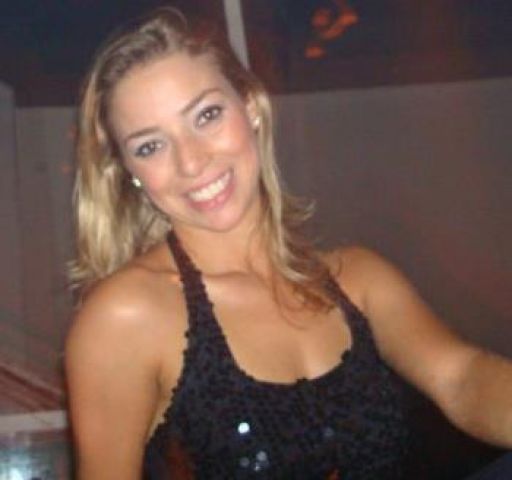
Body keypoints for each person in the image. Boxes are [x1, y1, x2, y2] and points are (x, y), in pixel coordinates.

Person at [65, 6, 512, 480]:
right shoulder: (126, 315)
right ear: (130, 173)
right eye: (150, 146)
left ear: (251, 107)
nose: (191, 162)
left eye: (207, 115)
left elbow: (462, 378)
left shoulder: (358, 279)